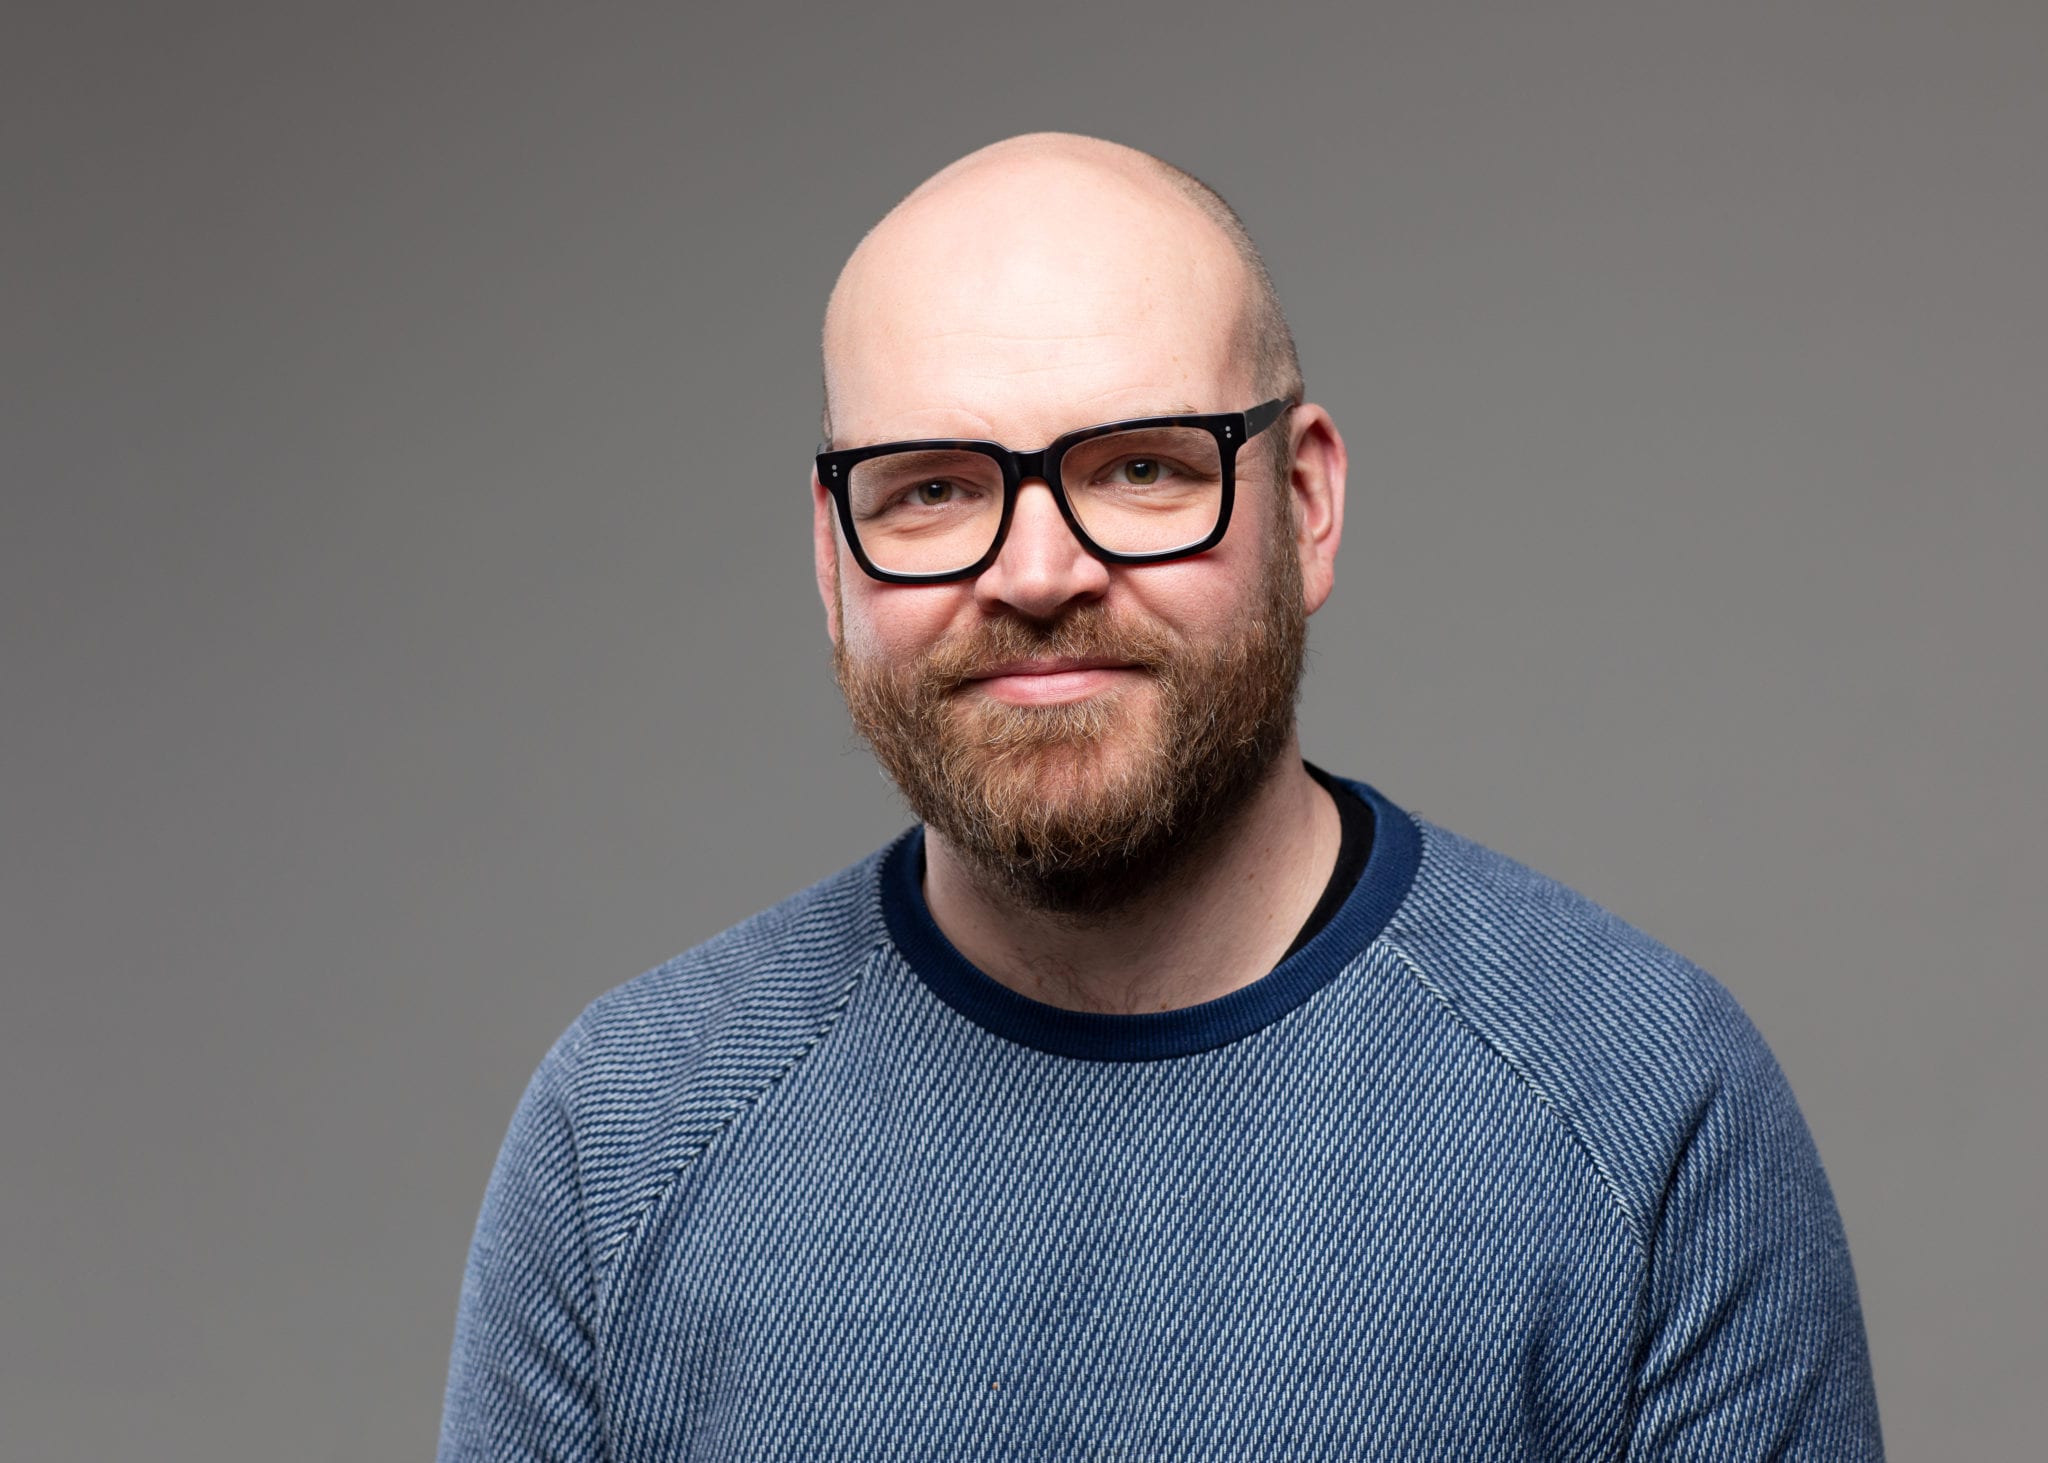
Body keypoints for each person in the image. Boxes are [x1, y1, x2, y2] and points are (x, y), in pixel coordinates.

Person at [438, 133, 1882, 1459]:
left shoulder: (1643, 1108)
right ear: (833, 560)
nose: (1037, 573)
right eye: (931, 490)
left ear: (1304, 505)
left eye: (1141, 468)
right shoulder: (626, 1132)